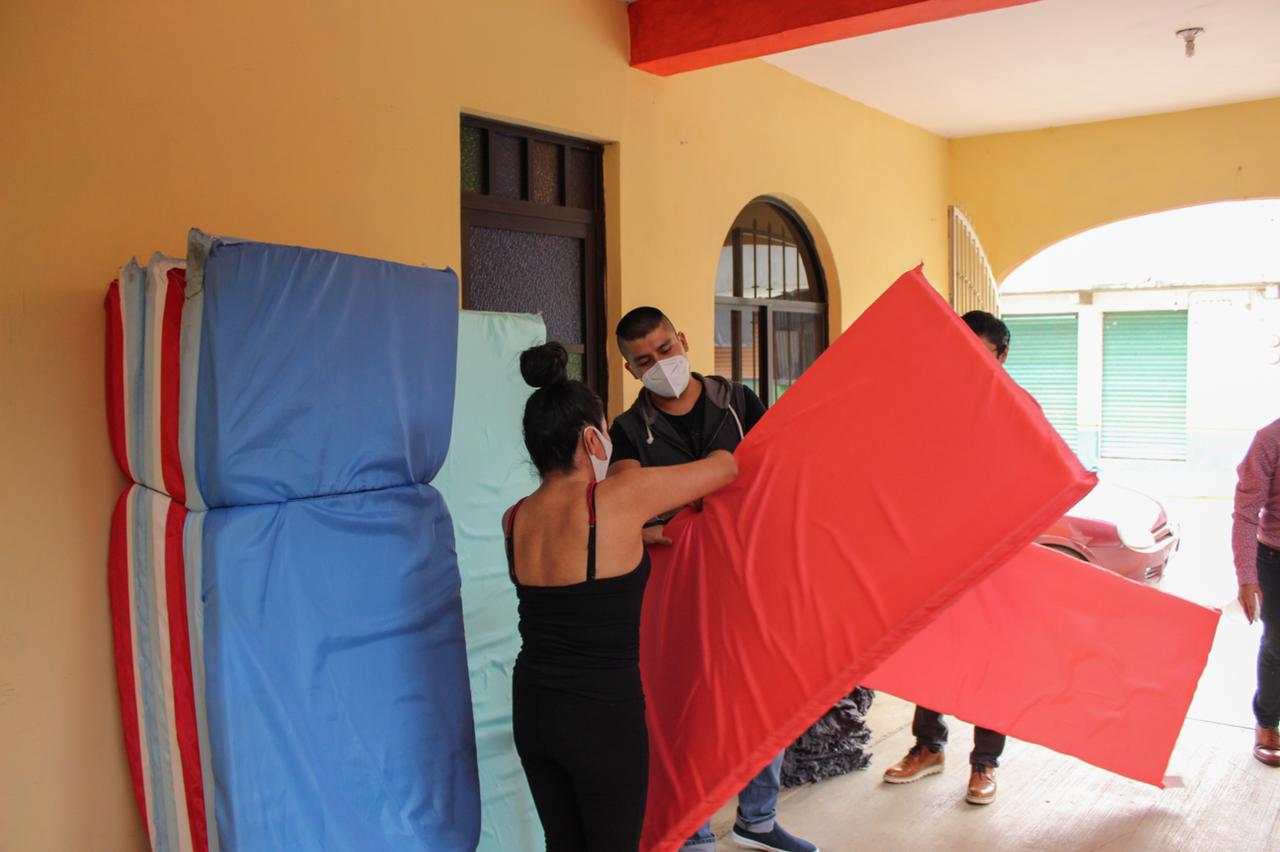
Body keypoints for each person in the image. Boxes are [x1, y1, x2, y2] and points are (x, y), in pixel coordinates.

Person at [506, 341, 738, 851]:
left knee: (563, 843)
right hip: (601, 713)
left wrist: (635, 533)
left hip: (533, 706)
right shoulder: (616, 499)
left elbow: (574, 575)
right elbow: (726, 468)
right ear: (592, 438)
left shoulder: (515, 517)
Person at [607, 307, 818, 852]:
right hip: (681, 591)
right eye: (644, 361)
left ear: (682, 340)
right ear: (631, 370)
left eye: (665, 349)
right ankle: (692, 830)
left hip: (753, 577)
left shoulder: (739, 403)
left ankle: (758, 819)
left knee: (764, 697)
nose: (660, 365)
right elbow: (623, 503)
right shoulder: (628, 430)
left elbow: (779, 469)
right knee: (688, 707)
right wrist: (654, 523)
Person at [881, 309, 1012, 806]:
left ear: (1002, 355)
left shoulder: (1017, 411)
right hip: (938, 552)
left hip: (996, 555)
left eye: (980, 353)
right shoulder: (934, 405)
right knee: (932, 651)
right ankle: (928, 747)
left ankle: (984, 763)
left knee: (990, 661)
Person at [1231, 417, 1280, 767]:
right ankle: (1267, 722)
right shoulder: (1270, 440)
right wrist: (1247, 577)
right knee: (1278, 644)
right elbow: (1246, 513)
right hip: (1275, 557)